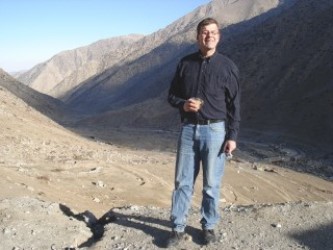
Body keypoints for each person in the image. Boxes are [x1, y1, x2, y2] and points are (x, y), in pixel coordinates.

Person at [166, 17, 241, 247]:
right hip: (188, 129)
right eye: (205, 32)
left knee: (211, 184)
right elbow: (171, 95)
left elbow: (235, 105)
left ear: (219, 36)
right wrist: (183, 104)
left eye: (214, 32)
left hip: (216, 131)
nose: (209, 35)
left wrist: (232, 136)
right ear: (198, 36)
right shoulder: (185, 63)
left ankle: (208, 226)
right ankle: (177, 229)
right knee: (183, 182)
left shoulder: (228, 66)